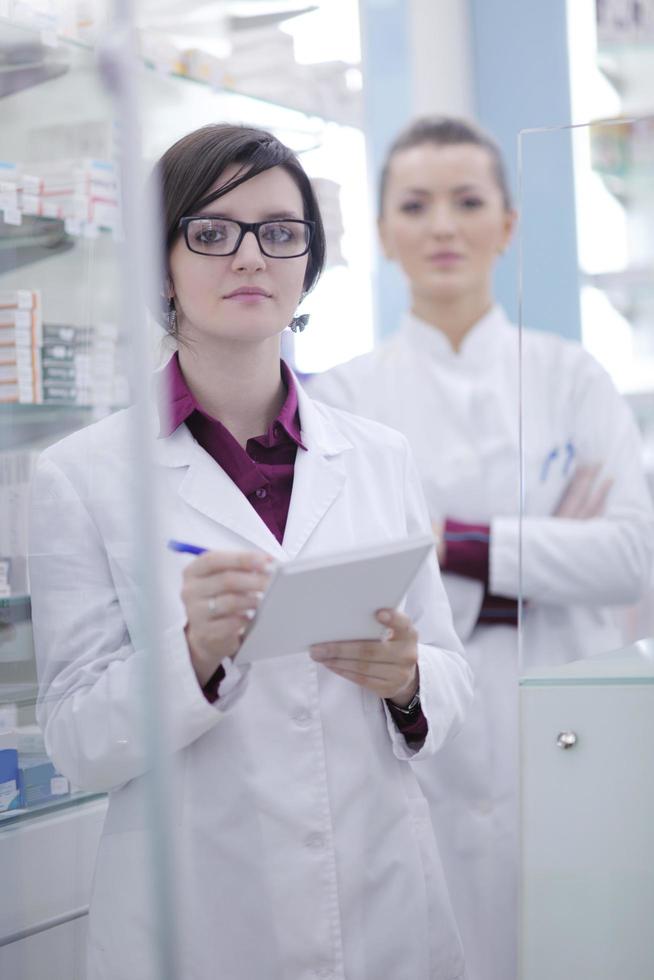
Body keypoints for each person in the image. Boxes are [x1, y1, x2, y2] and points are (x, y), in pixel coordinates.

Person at [28, 123, 473, 980]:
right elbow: (77, 740)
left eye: (279, 231)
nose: (249, 257)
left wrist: (410, 681)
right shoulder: (82, 477)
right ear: (161, 264)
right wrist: (191, 656)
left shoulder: (378, 455)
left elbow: (450, 672)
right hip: (199, 919)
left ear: (307, 260)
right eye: (211, 231)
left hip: (383, 905)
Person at [306, 116, 654, 980]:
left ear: (507, 223)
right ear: (384, 233)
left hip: (581, 715)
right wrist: (544, 558)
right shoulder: (345, 397)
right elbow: (357, 597)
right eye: (415, 205)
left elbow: (633, 555)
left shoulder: (571, 375)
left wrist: (448, 543)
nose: (443, 226)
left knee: (593, 943)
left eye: (468, 202)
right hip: (429, 740)